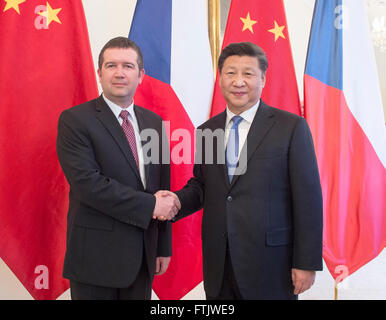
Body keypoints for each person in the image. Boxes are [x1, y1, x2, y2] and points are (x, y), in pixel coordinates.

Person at [159, 42, 323, 300]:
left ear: (263, 79)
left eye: (248, 73)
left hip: (272, 264)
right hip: (219, 263)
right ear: (220, 78)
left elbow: (308, 198)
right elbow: (204, 186)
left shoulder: (290, 127)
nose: (238, 81)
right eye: (230, 72)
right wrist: (177, 201)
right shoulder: (207, 130)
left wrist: (306, 261)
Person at [56, 37, 179, 300]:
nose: (120, 73)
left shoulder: (153, 122)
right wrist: (150, 206)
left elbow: (161, 187)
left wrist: (162, 246)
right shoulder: (75, 120)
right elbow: (89, 185)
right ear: (99, 73)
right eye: (111, 65)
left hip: (143, 257)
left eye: (128, 66)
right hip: (95, 260)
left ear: (141, 75)